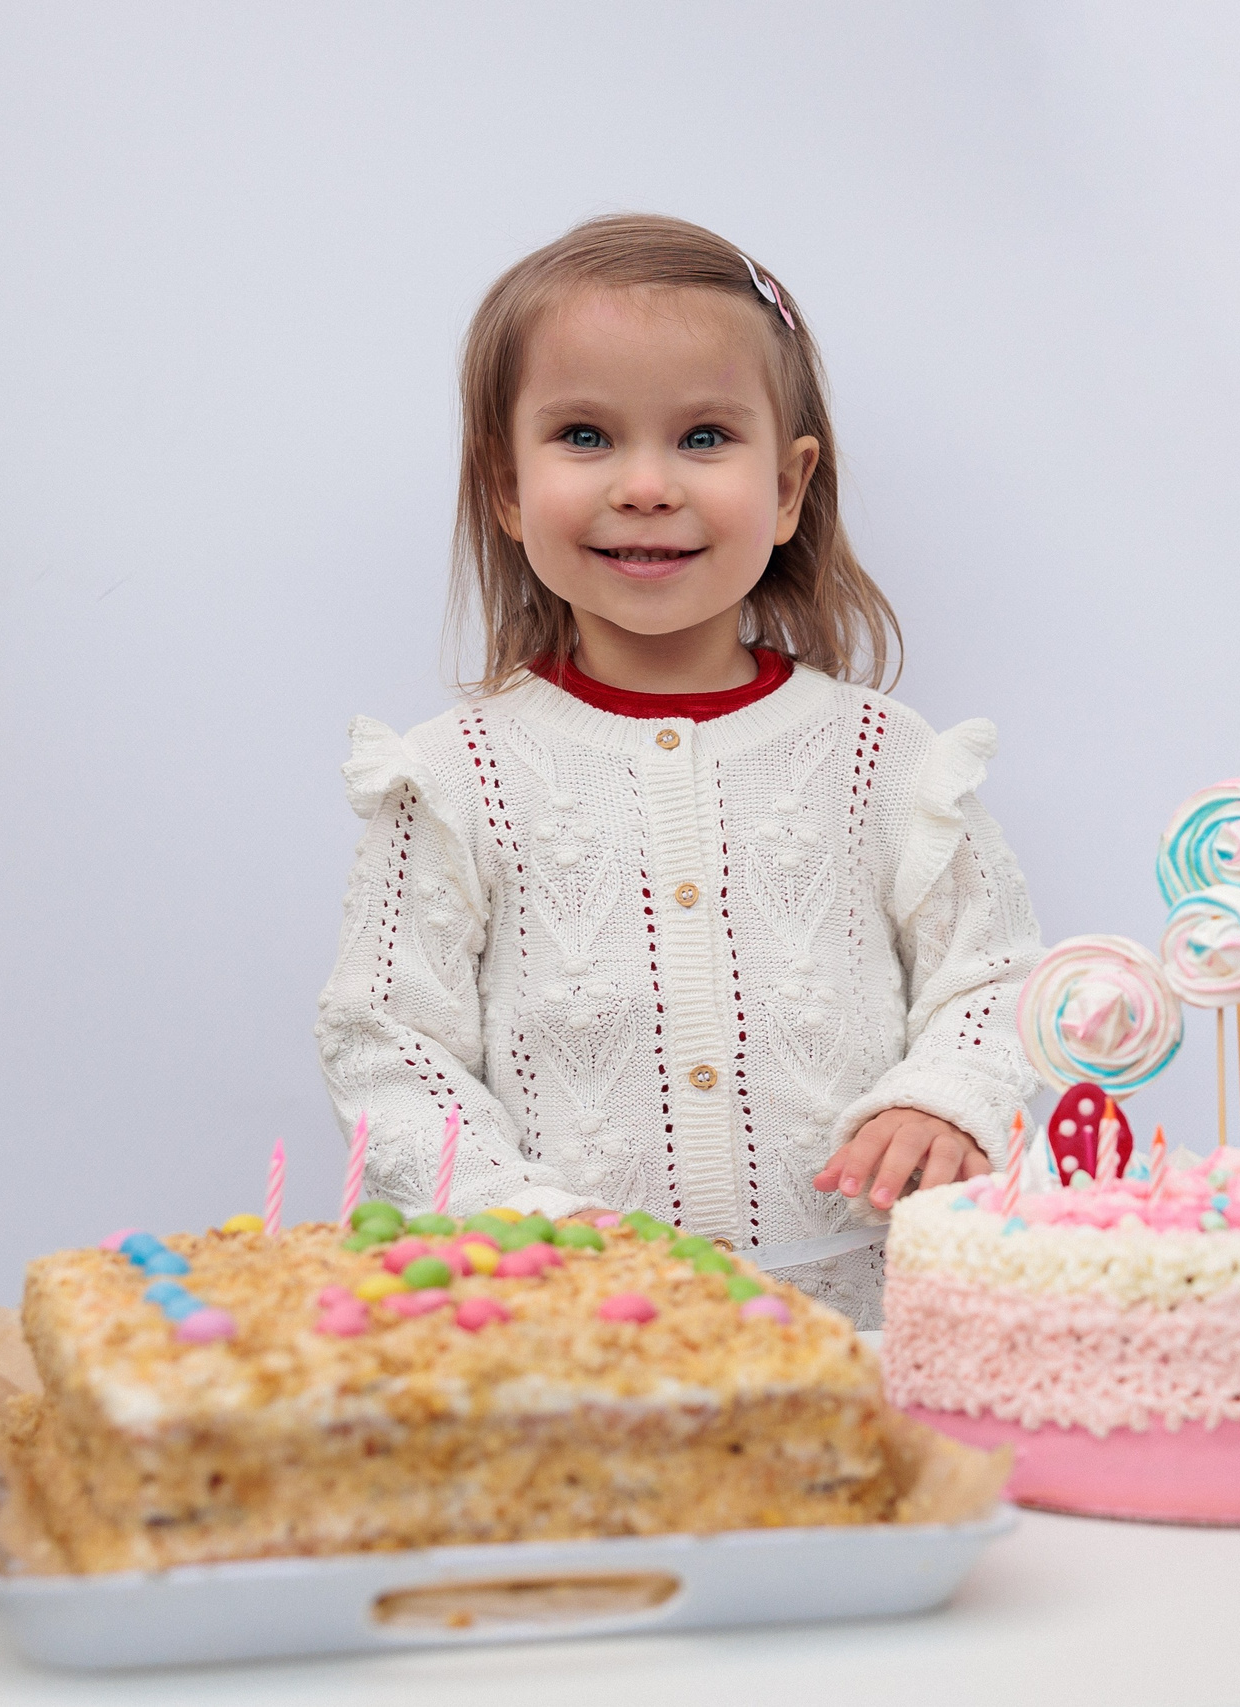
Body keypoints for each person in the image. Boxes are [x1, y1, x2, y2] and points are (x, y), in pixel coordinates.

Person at [316, 214, 1041, 1324]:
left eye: (704, 437)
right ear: (504, 487)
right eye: (585, 437)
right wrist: (514, 1215)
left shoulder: (881, 763)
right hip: (568, 1340)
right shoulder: (454, 777)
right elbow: (388, 1040)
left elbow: (993, 981)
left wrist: (949, 1099)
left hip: (862, 1333)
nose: (647, 484)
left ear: (790, 486)